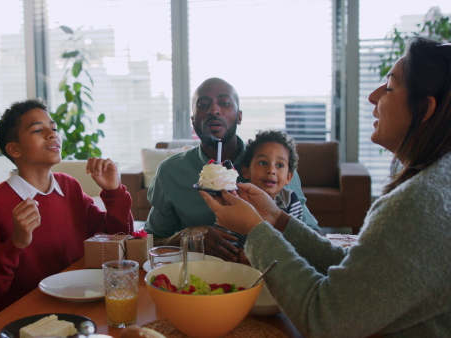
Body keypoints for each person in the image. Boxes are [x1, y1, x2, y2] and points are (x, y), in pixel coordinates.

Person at [201, 37, 451, 337]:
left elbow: (325, 320)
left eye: (389, 87)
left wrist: (256, 230)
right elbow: (360, 273)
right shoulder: (438, 184)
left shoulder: (419, 205)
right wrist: (276, 218)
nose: (372, 97)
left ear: (424, 109)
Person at [0, 99, 134, 315]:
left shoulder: (69, 186)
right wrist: (14, 244)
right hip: (27, 315)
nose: (52, 134)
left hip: (81, 302)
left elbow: (117, 238)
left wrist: (114, 191)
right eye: (37, 130)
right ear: (14, 149)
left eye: (53, 128)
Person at [144, 77, 320, 262]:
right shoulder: (171, 172)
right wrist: (186, 237)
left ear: (239, 116)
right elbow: (151, 240)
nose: (213, 110)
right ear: (193, 120)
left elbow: (313, 237)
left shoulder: (274, 169)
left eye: (224, 103)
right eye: (203, 104)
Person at [215, 130, 304, 249]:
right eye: (263, 162)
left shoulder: (291, 200)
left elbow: (296, 241)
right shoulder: (234, 199)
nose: (271, 170)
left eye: (280, 165)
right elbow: (224, 241)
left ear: (289, 177)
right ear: (246, 171)